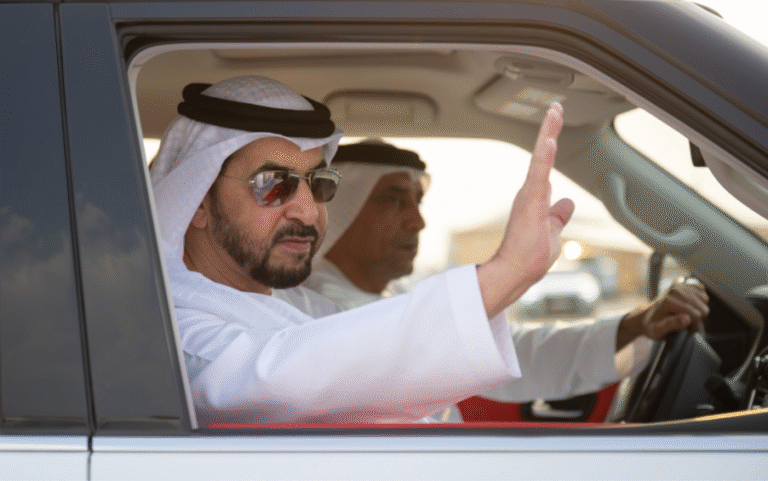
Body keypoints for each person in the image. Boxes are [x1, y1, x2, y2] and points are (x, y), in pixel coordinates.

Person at [149, 75, 704, 426]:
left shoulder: (295, 311)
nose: (305, 208)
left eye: (318, 184)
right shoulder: (173, 331)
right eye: (273, 184)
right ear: (196, 201)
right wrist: (504, 274)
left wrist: (629, 327)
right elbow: (275, 376)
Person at [303, 140, 711, 415]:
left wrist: (635, 324)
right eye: (392, 199)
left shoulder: (397, 295)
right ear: (339, 211)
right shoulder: (307, 315)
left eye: (417, 199)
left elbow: (516, 355)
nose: (418, 219)